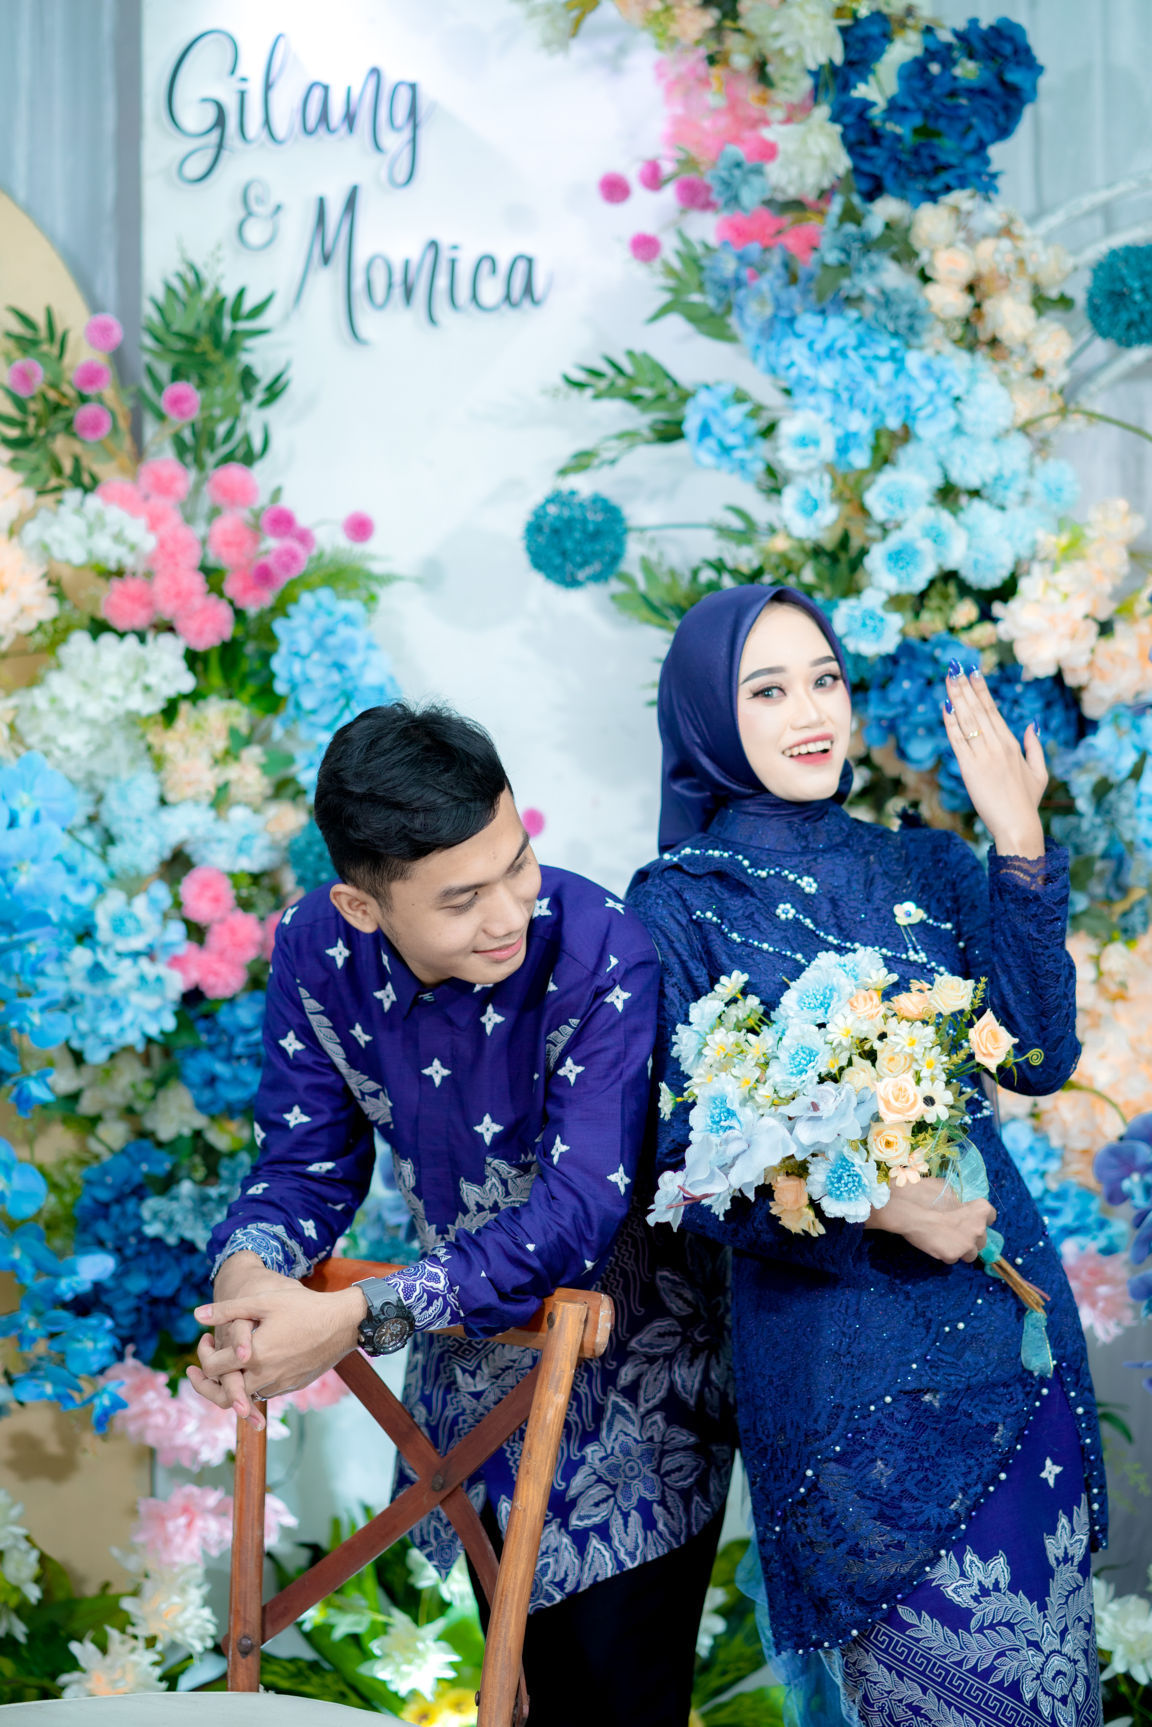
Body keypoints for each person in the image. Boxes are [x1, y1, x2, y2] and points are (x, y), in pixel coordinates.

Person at [190, 702, 733, 1727]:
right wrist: (247, 1285)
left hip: (636, 1397)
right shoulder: (316, 949)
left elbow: (574, 1215)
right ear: (362, 906)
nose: (506, 912)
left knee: (614, 1702)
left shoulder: (600, 948)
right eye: (461, 897)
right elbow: (304, 1164)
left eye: (516, 861)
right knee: (516, 1705)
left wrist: (356, 1316)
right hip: (470, 1386)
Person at [626, 585, 1105, 1726]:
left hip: (1008, 1331)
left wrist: (1017, 840)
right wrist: (883, 1202)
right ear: (708, 716)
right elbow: (689, 1170)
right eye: (768, 689)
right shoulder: (681, 904)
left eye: (825, 679)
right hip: (846, 1390)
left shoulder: (931, 867)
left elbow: (1038, 1055)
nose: (811, 712)